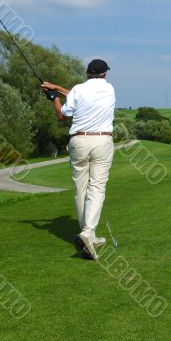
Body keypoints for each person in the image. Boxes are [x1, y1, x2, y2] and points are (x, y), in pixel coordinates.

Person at [41, 59, 115, 260]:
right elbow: (79, 96)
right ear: (105, 74)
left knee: (81, 188)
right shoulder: (109, 89)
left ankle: (88, 234)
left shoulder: (78, 89)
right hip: (102, 141)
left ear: (87, 73)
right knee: (97, 187)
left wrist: (53, 97)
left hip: (79, 141)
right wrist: (56, 89)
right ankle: (87, 232)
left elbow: (62, 115)